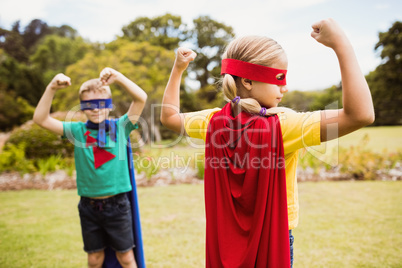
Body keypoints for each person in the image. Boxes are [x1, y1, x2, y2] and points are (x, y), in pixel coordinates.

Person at [160, 18, 374, 267]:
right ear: (248, 81)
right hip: (275, 238)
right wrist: (341, 45)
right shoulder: (283, 125)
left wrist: (178, 69)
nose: (284, 87)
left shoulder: (213, 122)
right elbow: (360, 115)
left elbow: (169, 117)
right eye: (278, 78)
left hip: (225, 242)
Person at [33, 67, 147, 268]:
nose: (95, 109)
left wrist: (118, 78)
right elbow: (41, 119)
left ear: (109, 105)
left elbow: (140, 98)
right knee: (94, 260)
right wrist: (51, 87)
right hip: (89, 207)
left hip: (117, 206)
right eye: (89, 104)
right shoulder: (76, 131)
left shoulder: (121, 127)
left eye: (101, 103)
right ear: (82, 107)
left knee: (127, 258)